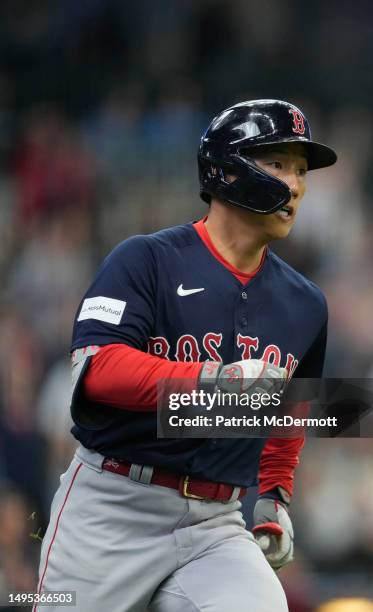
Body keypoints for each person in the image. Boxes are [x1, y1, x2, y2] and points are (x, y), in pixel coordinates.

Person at [34, 99, 337, 612]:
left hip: (215, 525)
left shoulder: (305, 305)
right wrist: (213, 380)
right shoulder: (145, 259)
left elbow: (290, 412)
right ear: (227, 168)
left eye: (302, 170)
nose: (296, 184)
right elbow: (97, 370)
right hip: (112, 506)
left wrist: (273, 496)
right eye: (278, 163)